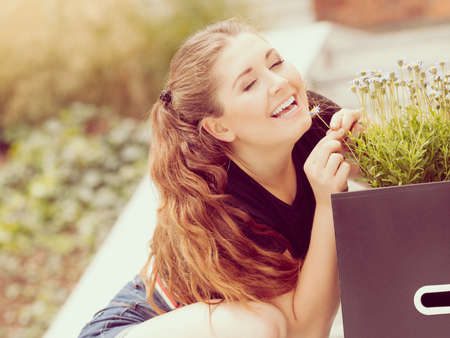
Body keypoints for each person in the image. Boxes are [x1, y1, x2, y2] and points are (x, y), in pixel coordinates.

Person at [79, 19, 362, 338]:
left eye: (276, 62)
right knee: (258, 327)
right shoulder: (220, 203)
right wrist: (328, 203)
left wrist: (369, 141)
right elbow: (305, 332)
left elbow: (406, 180)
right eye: (249, 84)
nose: (278, 82)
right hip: (132, 327)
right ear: (220, 127)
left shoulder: (307, 119)